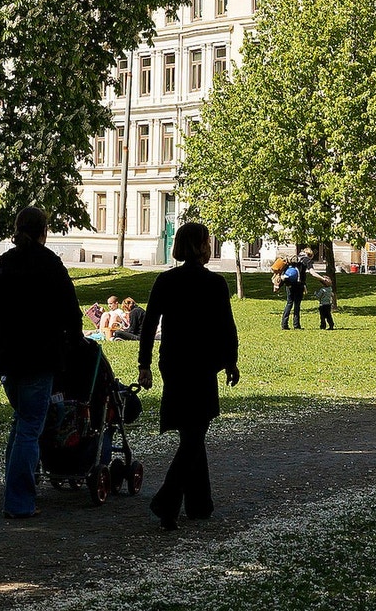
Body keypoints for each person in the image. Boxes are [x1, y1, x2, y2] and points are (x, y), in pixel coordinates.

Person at [137, 221, 240, 531]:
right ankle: (167, 501)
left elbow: (149, 325)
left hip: (174, 362)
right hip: (203, 364)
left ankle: (199, 503)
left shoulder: (165, 280)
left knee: (191, 432)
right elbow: (227, 327)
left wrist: (144, 365)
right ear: (204, 246)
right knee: (195, 434)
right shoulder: (216, 283)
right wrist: (231, 362)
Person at [0, 206, 84, 520]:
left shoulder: (2, 267)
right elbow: (71, 311)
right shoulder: (51, 266)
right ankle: (18, 501)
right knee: (30, 426)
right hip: (39, 356)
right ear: (44, 232)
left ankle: (15, 492)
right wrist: (74, 340)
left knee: (21, 422)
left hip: (7, 357)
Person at [280, 255, 306, 330]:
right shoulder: (301, 266)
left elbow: (284, 277)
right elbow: (303, 278)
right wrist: (304, 286)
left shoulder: (287, 267)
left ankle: (284, 324)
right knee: (297, 305)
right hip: (298, 286)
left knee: (289, 304)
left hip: (289, 286)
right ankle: (296, 325)